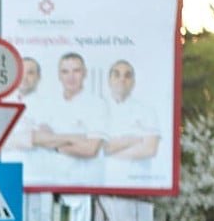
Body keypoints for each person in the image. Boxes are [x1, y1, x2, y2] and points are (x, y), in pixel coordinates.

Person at [31, 52, 108, 185]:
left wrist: (53, 144)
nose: (71, 77)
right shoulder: (50, 103)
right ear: (59, 76)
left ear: (85, 73)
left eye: (76, 71)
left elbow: (90, 149)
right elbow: (36, 138)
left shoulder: (97, 105)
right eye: (65, 72)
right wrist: (75, 138)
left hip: (86, 184)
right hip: (53, 182)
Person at [102, 59, 161, 186]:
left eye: (127, 76)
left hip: (137, 186)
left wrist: (110, 151)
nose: (122, 79)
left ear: (133, 82)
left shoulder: (147, 111)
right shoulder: (98, 109)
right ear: (109, 80)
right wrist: (132, 140)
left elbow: (150, 149)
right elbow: (96, 149)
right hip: (104, 183)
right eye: (117, 74)